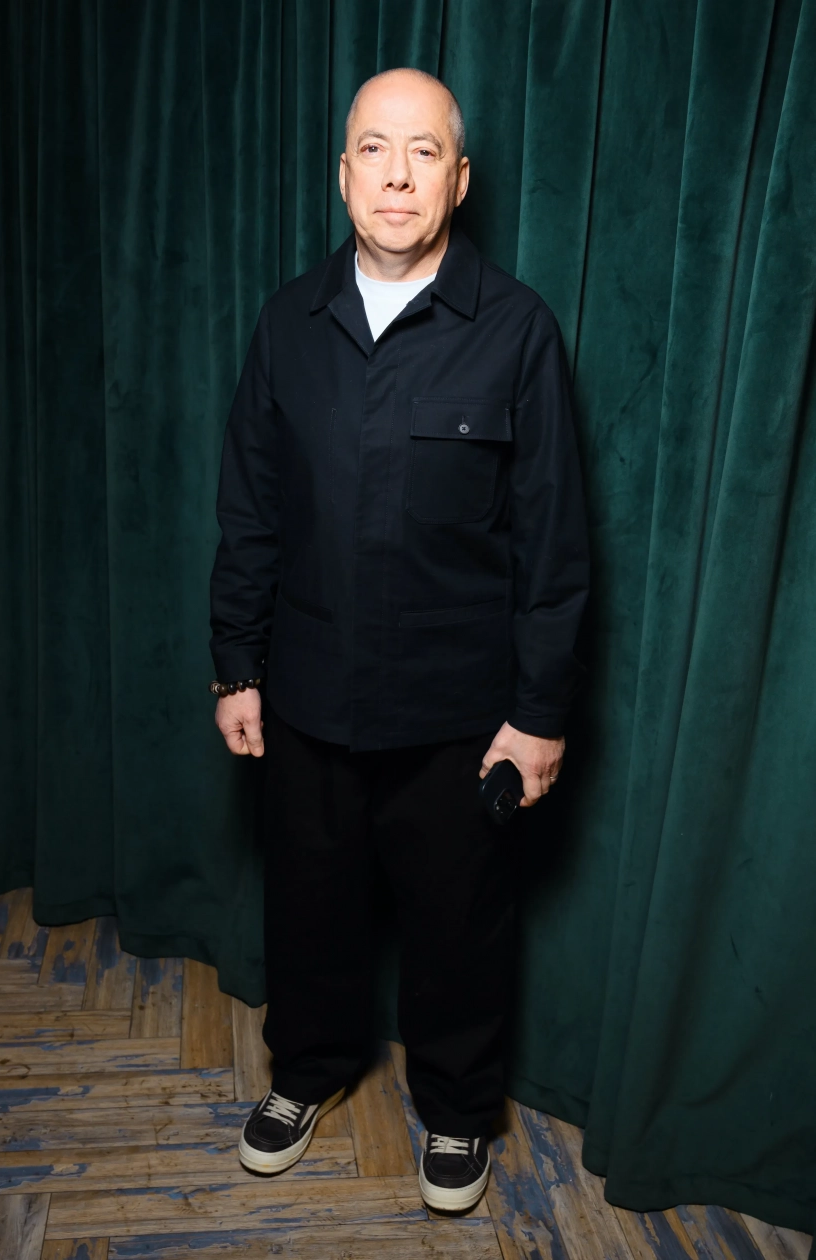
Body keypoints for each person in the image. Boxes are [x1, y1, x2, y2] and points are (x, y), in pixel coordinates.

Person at [208, 67, 589, 1212]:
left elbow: (554, 546)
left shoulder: (517, 329)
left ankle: (459, 1107)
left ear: (459, 181)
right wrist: (237, 665)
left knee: (459, 923)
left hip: (457, 712)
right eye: (374, 149)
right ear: (342, 173)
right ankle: (306, 1071)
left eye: (424, 153)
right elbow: (250, 511)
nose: (396, 175)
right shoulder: (288, 321)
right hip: (308, 695)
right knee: (308, 904)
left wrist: (538, 716)